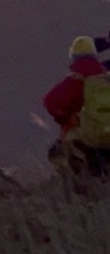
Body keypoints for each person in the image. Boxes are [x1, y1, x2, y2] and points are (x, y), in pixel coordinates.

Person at [45, 36, 110, 179]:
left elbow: (50, 102)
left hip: (85, 138)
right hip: (107, 134)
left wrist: (63, 117)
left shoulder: (76, 80)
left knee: (58, 151)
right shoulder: (106, 78)